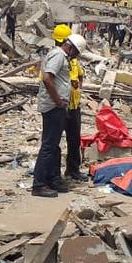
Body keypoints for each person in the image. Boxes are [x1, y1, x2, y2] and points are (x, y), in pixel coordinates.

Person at [33, 34, 86, 198]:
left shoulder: (62, 56)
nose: (75, 57)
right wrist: (57, 101)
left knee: (54, 146)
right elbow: (48, 78)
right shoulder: (58, 55)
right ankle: (39, 184)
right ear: (70, 47)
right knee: (49, 146)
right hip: (53, 107)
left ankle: (51, 179)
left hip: (58, 107)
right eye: (75, 53)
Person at [48, 26, 86, 182]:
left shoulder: (74, 60)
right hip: (60, 106)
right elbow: (46, 80)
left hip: (74, 106)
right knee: (54, 142)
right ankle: (55, 175)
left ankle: (73, 170)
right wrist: (57, 101)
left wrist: (77, 86)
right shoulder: (56, 58)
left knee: (74, 139)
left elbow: (81, 76)